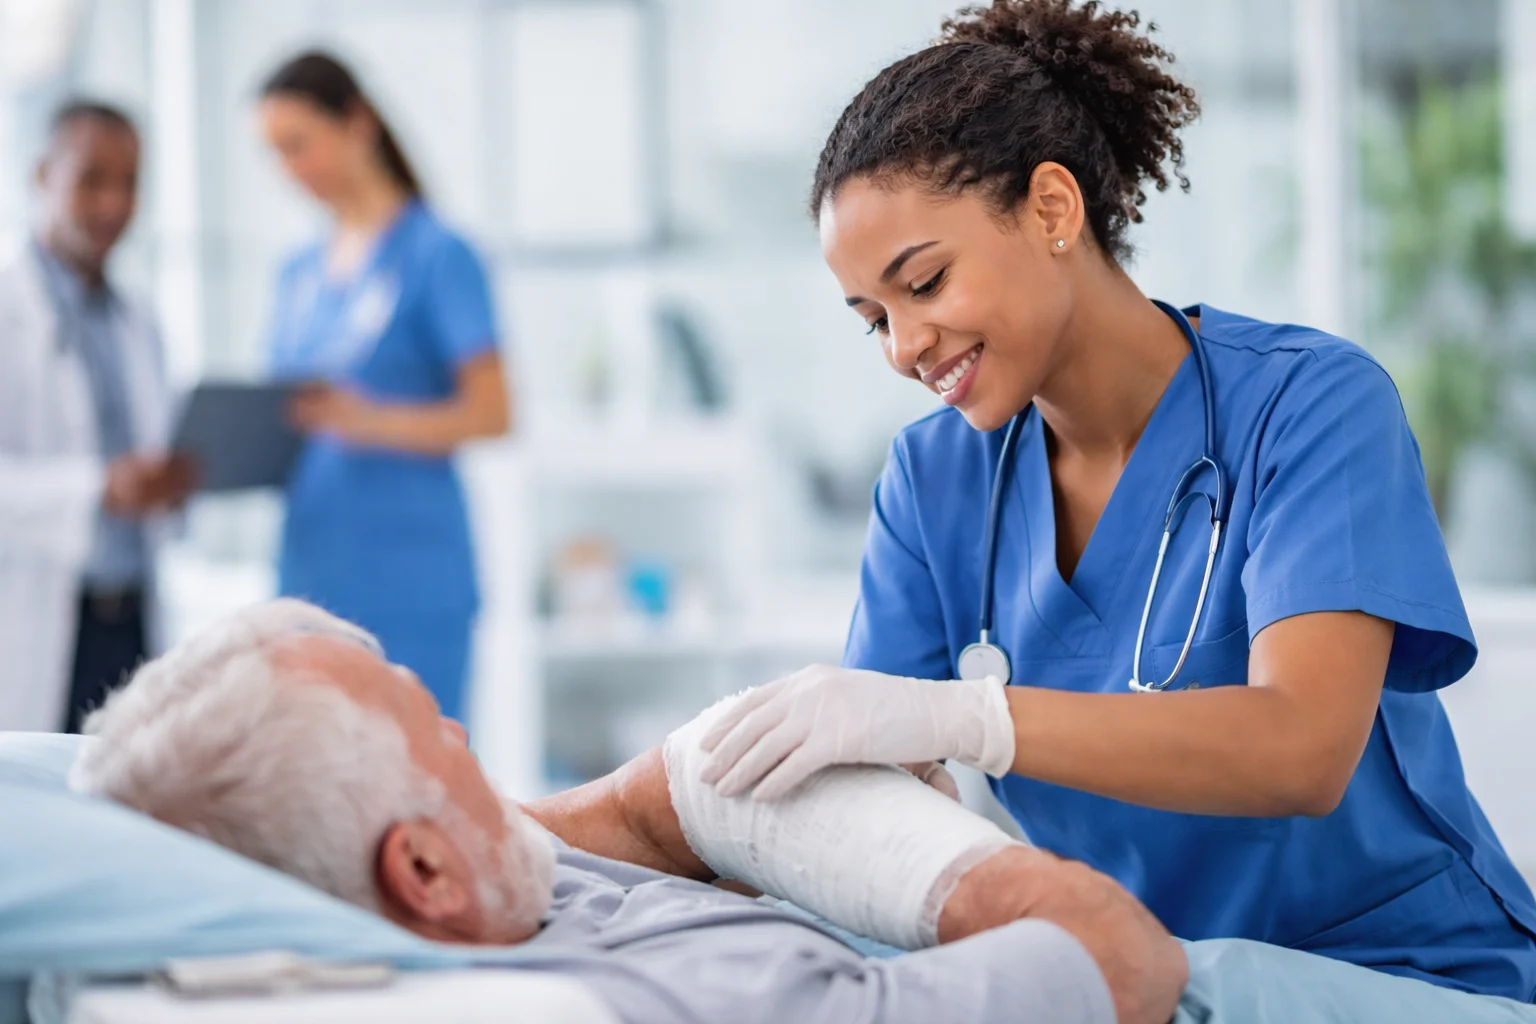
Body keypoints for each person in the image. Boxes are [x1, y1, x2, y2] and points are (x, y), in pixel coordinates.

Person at [693, 0, 1536, 1001]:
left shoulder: (1307, 406)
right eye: (872, 317)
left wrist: (970, 718)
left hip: (1399, 972)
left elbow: (1303, 747)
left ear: (1053, 210)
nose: (903, 346)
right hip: (1147, 980)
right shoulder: (933, 484)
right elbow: (879, 792)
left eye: (923, 281)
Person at [71, 599, 1186, 1024]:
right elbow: (1124, 964)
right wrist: (970, 741)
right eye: (434, 731)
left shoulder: (486, 888)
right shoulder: (703, 1003)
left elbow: (646, 815)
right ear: (421, 873)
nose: (467, 743)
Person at [257, 52, 511, 722]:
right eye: (274, 154)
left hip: (410, 576)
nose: (289, 170)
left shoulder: (437, 255)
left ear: (358, 124)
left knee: (419, 785)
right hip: (312, 570)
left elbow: (493, 411)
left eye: (298, 145)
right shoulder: (297, 273)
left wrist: (365, 421)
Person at [0, 100, 193, 734]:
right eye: (91, 180)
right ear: (41, 176)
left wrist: (169, 484)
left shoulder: (139, 320)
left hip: (134, 620)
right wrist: (96, 489)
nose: (113, 204)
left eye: (129, 183)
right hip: (36, 620)